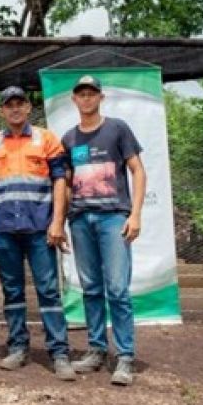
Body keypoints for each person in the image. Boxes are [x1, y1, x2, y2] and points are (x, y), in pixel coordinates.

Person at [0, 85, 76, 380]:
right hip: (5, 228)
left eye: (20, 103)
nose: (15, 109)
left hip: (39, 228)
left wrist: (58, 221)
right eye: (9, 104)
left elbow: (61, 180)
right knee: (12, 291)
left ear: (28, 108)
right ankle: (18, 347)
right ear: (1, 111)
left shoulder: (46, 139)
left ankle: (59, 353)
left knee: (48, 290)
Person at [62, 75, 147, 386]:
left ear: (101, 97)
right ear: (74, 99)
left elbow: (138, 170)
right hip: (81, 220)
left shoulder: (117, 129)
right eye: (81, 94)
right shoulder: (69, 139)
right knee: (91, 288)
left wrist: (135, 214)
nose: (86, 99)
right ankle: (97, 349)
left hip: (113, 218)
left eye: (92, 93)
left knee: (117, 289)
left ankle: (125, 356)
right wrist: (62, 221)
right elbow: (67, 184)